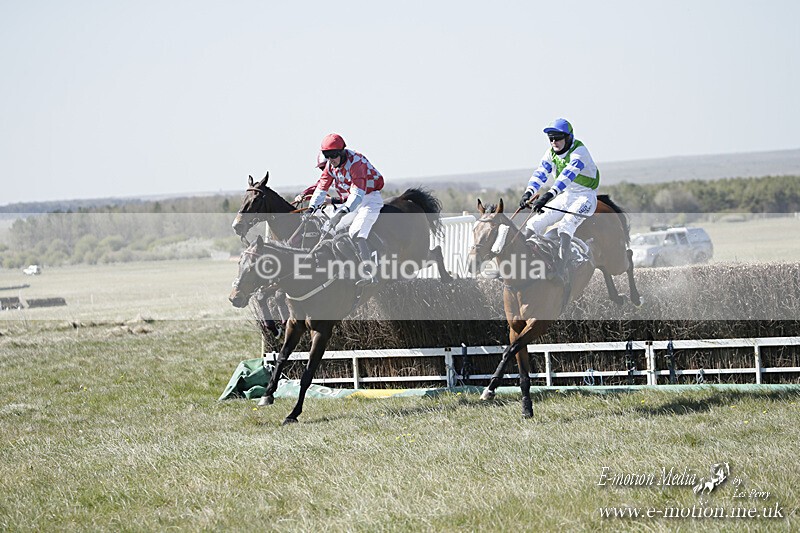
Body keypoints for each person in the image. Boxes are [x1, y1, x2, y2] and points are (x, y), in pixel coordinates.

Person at [518, 118, 600, 281]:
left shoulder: (579, 152)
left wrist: (548, 196)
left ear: (568, 137)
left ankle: (562, 269)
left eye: (557, 138)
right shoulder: (550, 153)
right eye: (551, 138)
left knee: (565, 226)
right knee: (533, 224)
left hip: (586, 196)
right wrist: (528, 193)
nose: (554, 142)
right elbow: (541, 173)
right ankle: (519, 264)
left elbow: (566, 177)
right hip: (566, 195)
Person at [306, 133, 385, 285]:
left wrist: (341, 213)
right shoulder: (330, 166)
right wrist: (311, 209)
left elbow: (357, 194)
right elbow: (321, 189)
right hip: (352, 201)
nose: (331, 160)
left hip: (369, 198)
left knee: (356, 231)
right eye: (327, 156)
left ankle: (371, 272)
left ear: (342, 151)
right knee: (329, 230)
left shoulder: (356, 163)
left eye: (333, 155)